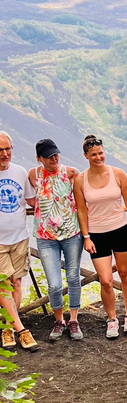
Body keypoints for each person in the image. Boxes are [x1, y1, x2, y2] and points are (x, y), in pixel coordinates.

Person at [73, 135, 127, 339]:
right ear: (86, 156)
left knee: (126, 274)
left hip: (120, 229)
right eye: (93, 154)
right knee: (106, 280)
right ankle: (111, 319)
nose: (98, 157)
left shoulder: (118, 174)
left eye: (100, 153)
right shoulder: (80, 180)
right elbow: (81, 210)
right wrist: (86, 236)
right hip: (97, 234)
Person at [27, 139, 84, 341]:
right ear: (39, 158)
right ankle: (59, 320)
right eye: (49, 156)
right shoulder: (33, 174)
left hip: (71, 234)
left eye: (56, 154)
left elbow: (81, 199)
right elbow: (30, 198)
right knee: (54, 284)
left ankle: (74, 320)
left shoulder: (70, 173)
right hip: (45, 236)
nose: (54, 158)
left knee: (73, 277)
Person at [0, 131, 39, 351]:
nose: (5, 154)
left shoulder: (20, 172)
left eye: (8, 149)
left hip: (19, 237)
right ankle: (22, 331)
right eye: (0, 150)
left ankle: (7, 329)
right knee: (3, 284)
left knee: (16, 283)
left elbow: (31, 199)